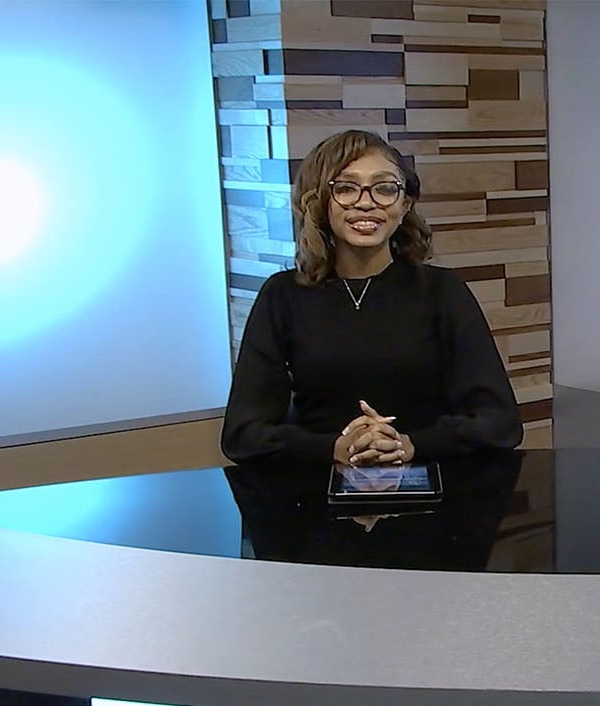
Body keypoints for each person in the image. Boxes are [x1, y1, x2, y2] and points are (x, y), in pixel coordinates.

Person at [221, 130, 522, 471]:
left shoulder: (443, 291)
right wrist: (334, 448)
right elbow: (242, 434)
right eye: (346, 188)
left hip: (432, 492)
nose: (367, 202)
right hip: (314, 498)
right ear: (321, 200)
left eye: (384, 188)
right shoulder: (282, 295)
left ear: (404, 203)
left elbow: (500, 422)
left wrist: (409, 445)